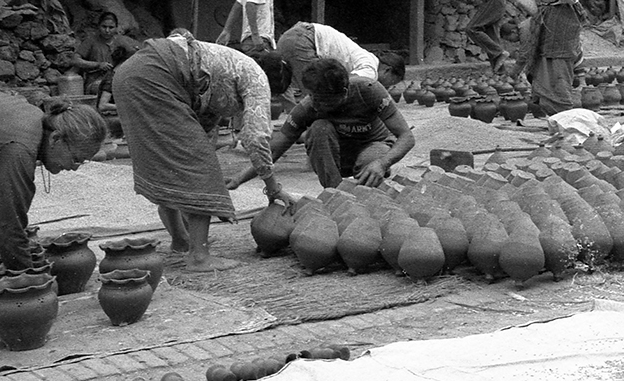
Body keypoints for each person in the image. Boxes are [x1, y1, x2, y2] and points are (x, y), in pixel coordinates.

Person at [112, 29, 295, 272]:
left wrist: (222, 186)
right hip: (155, 75)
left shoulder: (226, 68)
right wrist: (273, 189)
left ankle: (181, 241)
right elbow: (257, 137)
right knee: (200, 170)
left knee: (172, 167)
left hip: (131, 74)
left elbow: (202, 128)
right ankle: (199, 256)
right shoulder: (256, 77)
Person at [230, 58, 415, 191]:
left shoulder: (369, 90)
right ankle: (335, 194)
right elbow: (275, 150)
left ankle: (368, 195)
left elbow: (407, 137)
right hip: (337, 157)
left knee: (370, 163)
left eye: (322, 99)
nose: (315, 104)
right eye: (312, 96)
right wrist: (239, 178)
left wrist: (383, 163)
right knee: (319, 127)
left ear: (343, 93)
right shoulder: (309, 106)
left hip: (372, 148)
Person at [0, 92, 107, 273]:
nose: (74, 168)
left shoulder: (35, 121)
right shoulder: (20, 149)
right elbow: (8, 227)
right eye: (77, 159)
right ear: (56, 138)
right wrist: (29, 280)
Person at [519, 0, 582, 116]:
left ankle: (563, 111)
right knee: (541, 61)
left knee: (557, 65)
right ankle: (546, 108)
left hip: (562, 22)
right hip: (545, 22)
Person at [274, 21, 405, 88]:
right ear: (388, 70)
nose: (387, 87)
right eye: (392, 82)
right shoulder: (370, 69)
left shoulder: (365, 57)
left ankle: (294, 129)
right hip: (304, 40)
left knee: (286, 86)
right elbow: (350, 83)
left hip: (291, 36)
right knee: (316, 91)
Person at [67, 11, 139, 102]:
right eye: (104, 27)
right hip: (96, 81)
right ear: (98, 27)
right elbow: (74, 60)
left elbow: (135, 56)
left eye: (111, 27)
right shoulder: (91, 41)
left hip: (116, 79)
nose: (107, 30)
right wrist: (97, 64)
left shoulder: (121, 41)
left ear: (116, 28)